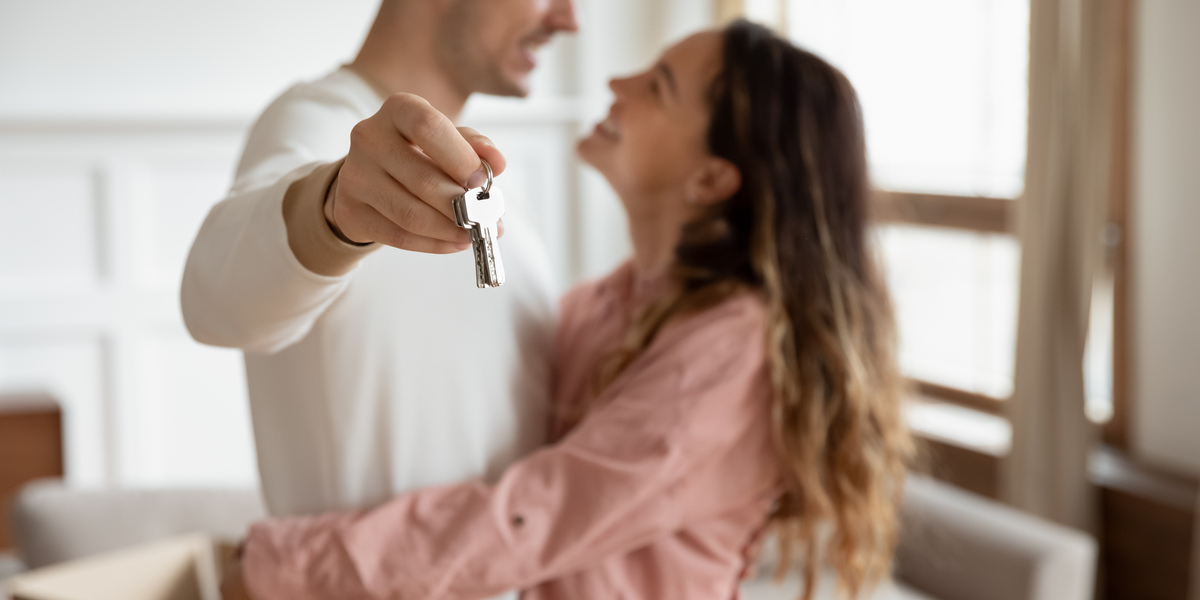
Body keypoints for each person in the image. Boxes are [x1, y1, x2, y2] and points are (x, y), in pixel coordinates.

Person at [224, 20, 916, 600]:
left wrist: (281, 567)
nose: (617, 83)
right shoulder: (602, 303)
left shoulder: (738, 347)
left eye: (655, 87)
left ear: (711, 178)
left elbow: (537, 514)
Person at [182, 0, 576, 531]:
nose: (567, 20)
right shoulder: (312, 126)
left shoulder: (497, 179)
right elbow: (218, 301)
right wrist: (332, 213)